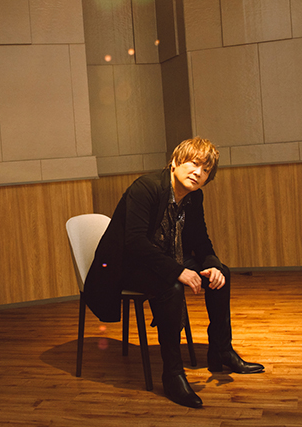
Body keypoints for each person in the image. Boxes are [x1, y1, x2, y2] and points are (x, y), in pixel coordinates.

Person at [83, 137, 263, 408]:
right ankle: (173, 374)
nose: (198, 173)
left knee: (220, 275)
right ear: (175, 162)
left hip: (163, 256)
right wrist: (177, 271)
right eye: (194, 164)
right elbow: (134, 242)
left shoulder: (194, 196)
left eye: (205, 170)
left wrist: (212, 264)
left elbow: (200, 239)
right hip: (126, 265)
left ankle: (221, 350)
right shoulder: (146, 187)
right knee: (171, 287)